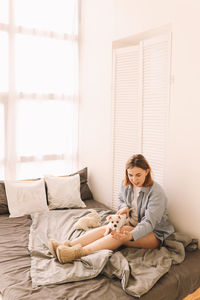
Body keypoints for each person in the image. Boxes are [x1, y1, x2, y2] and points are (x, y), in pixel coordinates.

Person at [48, 154, 174, 264]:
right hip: (132, 224)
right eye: (130, 175)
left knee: (119, 232)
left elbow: (149, 223)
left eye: (138, 175)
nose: (134, 179)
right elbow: (121, 200)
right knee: (106, 229)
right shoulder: (126, 184)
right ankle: (68, 245)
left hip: (154, 234)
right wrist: (124, 207)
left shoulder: (156, 193)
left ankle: (78, 253)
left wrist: (130, 235)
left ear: (147, 172)